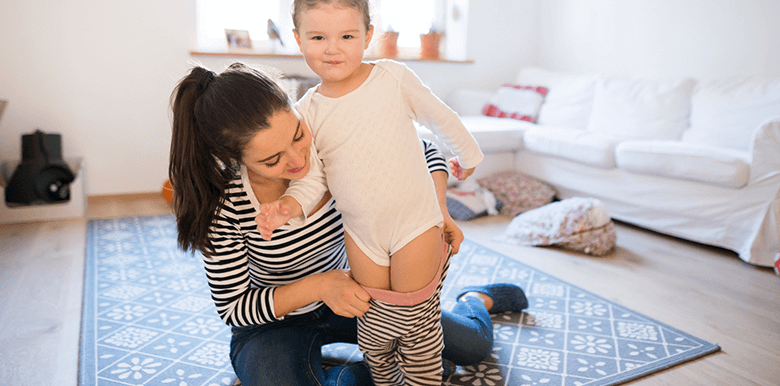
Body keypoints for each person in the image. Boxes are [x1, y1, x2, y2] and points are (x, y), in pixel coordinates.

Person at [168, 62, 528, 386]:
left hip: (362, 296)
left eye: (297, 135)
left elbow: (427, 151)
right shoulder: (224, 206)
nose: (299, 159)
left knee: (471, 348)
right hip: (276, 324)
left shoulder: (330, 141)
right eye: (273, 159)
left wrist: (438, 212)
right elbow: (235, 307)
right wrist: (320, 287)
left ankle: (475, 299)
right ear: (235, 158)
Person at [252, 1, 526, 385]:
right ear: (298, 40)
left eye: (347, 36)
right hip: (362, 235)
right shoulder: (307, 110)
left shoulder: (392, 78)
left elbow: (438, 115)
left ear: (368, 34)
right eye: (318, 37)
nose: (333, 48)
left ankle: (437, 358)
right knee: (376, 330)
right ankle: (385, 378)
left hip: (413, 224)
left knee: (416, 323)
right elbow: (314, 180)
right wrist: (287, 205)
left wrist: (466, 153)